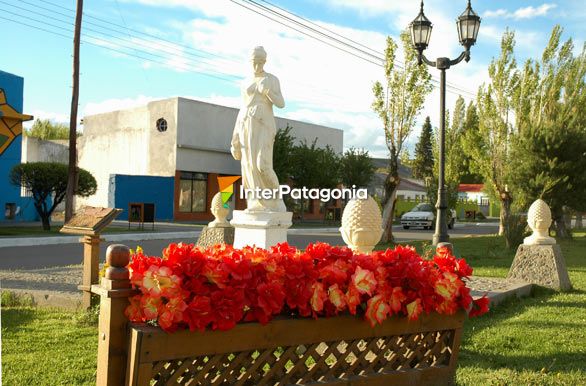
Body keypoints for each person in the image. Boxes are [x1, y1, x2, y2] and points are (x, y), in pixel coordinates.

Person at [231, 46, 286, 212]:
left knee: (262, 164)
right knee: (248, 165)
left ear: (265, 61)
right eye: (255, 61)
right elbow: (242, 107)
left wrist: (268, 93)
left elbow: (281, 103)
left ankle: (277, 200)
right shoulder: (245, 82)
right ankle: (255, 204)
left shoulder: (272, 79)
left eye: (261, 62)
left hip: (264, 124)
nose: (257, 65)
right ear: (250, 61)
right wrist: (234, 138)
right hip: (246, 123)